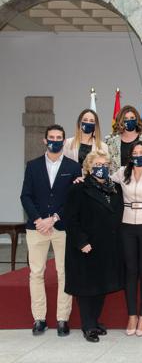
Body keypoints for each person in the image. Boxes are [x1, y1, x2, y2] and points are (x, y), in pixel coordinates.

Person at [20, 124, 82, 337]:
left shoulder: (74, 167)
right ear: (44, 141)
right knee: (36, 273)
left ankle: (62, 318)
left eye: (59, 137)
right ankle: (39, 318)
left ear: (64, 141)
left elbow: (74, 199)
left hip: (62, 227)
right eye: (51, 137)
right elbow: (25, 196)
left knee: (63, 272)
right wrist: (39, 219)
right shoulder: (33, 165)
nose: (55, 140)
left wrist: (54, 218)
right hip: (37, 227)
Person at [64, 149, 124, 343]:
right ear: (88, 168)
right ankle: (88, 325)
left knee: (102, 285)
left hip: (108, 246)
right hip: (86, 246)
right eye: (97, 165)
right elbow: (70, 219)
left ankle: (95, 321)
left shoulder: (115, 188)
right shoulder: (78, 188)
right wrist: (81, 242)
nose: (101, 169)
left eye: (105, 166)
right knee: (86, 287)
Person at [110, 141, 142, 336]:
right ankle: (132, 314)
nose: (138, 155)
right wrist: (81, 178)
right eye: (135, 152)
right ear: (130, 156)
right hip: (127, 224)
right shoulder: (122, 173)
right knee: (130, 270)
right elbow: (102, 178)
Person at [105, 105, 142, 173]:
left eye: (132, 118)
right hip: (118, 181)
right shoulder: (111, 141)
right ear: (121, 121)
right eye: (126, 119)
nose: (129, 121)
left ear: (137, 119)